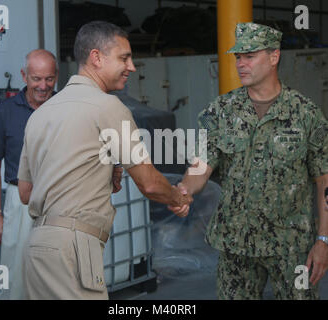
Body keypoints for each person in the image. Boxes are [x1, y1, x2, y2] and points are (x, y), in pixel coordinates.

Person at [17, 21, 192, 300]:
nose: (132, 67)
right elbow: (148, 183)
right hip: (73, 247)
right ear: (96, 57)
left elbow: (26, 193)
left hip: (37, 247)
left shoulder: (39, 115)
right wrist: (177, 197)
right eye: (124, 57)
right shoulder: (108, 107)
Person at [169, 22, 328, 300]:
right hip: (236, 244)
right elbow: (201, 166)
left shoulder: (306, 114)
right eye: (238, 57)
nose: (241, 64)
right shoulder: (220, 112)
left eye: (250, 56)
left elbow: (324, 180)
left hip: (290, 245)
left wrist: (323, 240)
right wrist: (182, 191)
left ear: (274, 57)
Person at [0, 49, 59, 299]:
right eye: (36, 78)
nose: (43, 86)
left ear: (56, 77)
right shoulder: (3, 112)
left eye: (49, 79)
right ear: (24, 76)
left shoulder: (66, 109)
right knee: (15, 278)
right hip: (19, 202)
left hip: (60, 200)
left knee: (59, 275)